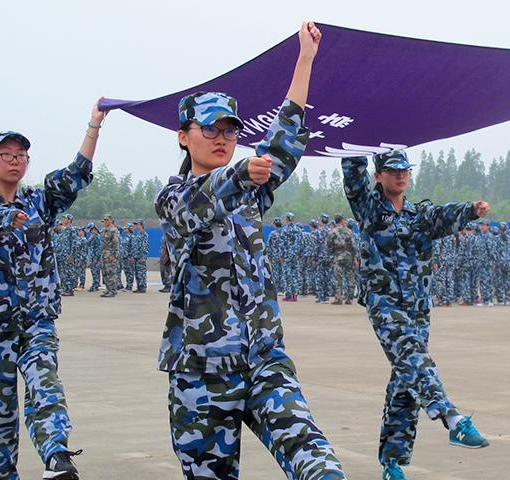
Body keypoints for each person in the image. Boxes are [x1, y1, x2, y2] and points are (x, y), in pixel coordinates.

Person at [154, 22, 345, 480]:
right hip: (201, 372)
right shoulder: (173, 196)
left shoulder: (250, 192)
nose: (221, 137)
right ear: (184, 136)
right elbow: (204, 199)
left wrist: (304, 61)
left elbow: (284, 139)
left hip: (265, 361)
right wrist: (242, 173)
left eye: (230, 130)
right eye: (209, 128)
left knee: (320, 466)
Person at [0, 100, 106, 480]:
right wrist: (9, 215)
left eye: (21, 155)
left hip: (35, 323)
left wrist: (94, 125)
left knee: (45, 383)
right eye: (5, 154)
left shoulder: (40, 202)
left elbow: (75, 175)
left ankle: (57, 457)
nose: (15, 160)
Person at [342, 149, 490, 480]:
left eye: (404, 170)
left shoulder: (417, 215)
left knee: (405, 382)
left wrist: (470, 210)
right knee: (412, 358)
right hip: (385, 303)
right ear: (378, 175)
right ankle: (452, 419)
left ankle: (391, 462)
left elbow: (442, 216)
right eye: (393, 170)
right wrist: (358, 144)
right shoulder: (369, 209)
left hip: (418, 307)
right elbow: (352, 175)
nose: (400, 175)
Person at [326, 214, 356, 305]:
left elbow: (328, 246)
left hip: (337, 256)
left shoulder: (332, 232)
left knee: (338, 278)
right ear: (342, 220)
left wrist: (331, 254)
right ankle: (349, 298)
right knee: (350, 277)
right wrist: (354, 257)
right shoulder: (349, 231)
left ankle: (338, 298)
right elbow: (353, 246)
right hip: (348, 256)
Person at [100, 215, 119, 298]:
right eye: (104, 220)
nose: (105, 221)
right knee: (105, 273)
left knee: (111, 273)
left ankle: (113, 290)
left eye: (107, 220)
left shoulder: (113, 230)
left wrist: (113, 255)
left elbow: (116, 243)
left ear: (111, 220)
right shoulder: (104, 230)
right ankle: (108, 289)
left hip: (110, 254)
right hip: (104, 254)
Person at [132, 219, 148, 293]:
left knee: (141, 272)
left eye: (137, 224)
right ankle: (139, 286)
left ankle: (142, 287)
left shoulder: (144, 234)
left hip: (141, 257)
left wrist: (144, 256)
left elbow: (145, 246)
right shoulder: (137, 234)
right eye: (136, 225)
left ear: (141, 225)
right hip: (136, 256)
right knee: (137, 272)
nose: (136, 226)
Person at [86, 224, 102, 292]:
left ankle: (96, 285)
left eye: (91, 230)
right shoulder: (92, 236)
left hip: (96, 258)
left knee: (96, 272)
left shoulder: (97, 237)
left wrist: (96, 258)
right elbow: (87, 244)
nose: (90, 231)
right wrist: (91, 237)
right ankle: (95, 284)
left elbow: (99, 248)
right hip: (92, 257)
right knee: (93, 272)